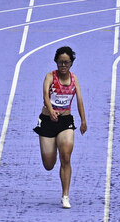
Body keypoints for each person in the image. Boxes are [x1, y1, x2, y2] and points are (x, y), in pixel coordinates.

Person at [33, 46, 86, 209]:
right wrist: (50, 110)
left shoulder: (74, 79)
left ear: (71, 63)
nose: (63, 66)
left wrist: (84, 121)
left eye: (67, 63)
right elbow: (45, 96)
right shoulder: (50, 76)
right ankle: (53, 146)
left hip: (65, 121)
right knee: (49, 164)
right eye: (61, 62)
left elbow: (79, 101)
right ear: (56, 62)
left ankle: (65, 195)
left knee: (66, 157)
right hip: (48, 121)